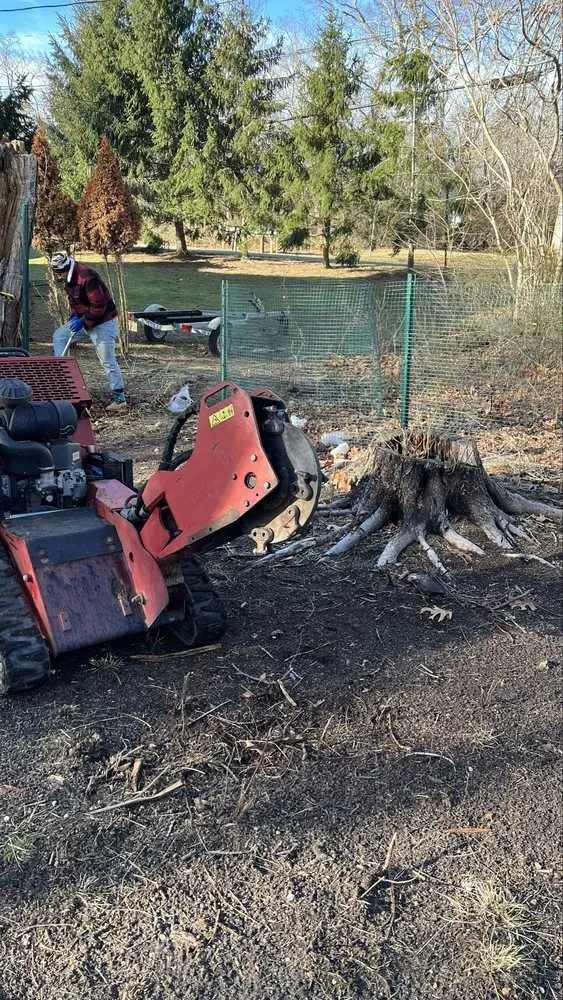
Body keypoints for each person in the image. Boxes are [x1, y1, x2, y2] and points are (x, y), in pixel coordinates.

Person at [50, 252, 127, 412]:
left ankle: (120, 400)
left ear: (66, 269)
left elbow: (99, 306)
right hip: (84, 321)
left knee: (107, 360)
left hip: (104, 322)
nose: (59, 278)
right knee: (59, 336)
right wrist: (73, 318)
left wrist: (82, 322)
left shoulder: (86, 276)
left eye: (60, 274)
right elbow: (74, 302)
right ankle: (62, 379)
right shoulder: (68, 279)